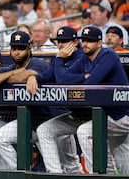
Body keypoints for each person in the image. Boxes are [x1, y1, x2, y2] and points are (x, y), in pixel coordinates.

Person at [54, 26, 129, 174]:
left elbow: (91, 84)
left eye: (90, 41)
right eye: (84, 40)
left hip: (122, 115)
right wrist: (59, 59)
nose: (86, 44)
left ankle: (100, 175)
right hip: (109, 115)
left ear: (99, 43)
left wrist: (79, 80)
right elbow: (61, 79)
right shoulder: (84, 58)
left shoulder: (108, 55)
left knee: (85, 132)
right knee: (124, 161)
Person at [0, 31, 50, 169]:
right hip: (20, 120)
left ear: (29, 48)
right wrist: (14, 73)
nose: (16, 52)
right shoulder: (10, 68)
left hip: (42, 120)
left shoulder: (38, 64)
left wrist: (16, 76)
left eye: (21, 48)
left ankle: (18, 171)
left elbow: (24, 76)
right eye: (14, 48)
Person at [26, 26, 86, 173]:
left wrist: (59, 58)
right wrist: (33, 77)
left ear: (75, 42)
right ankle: (54, 173)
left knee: (73, 165)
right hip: (74, 115)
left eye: (65, 41)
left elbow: (61, 80)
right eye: (59, 41)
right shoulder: (61, 58)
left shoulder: (82, 57)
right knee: (44, 130)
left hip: (92, 115)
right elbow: (47, 75)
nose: (60, 45)